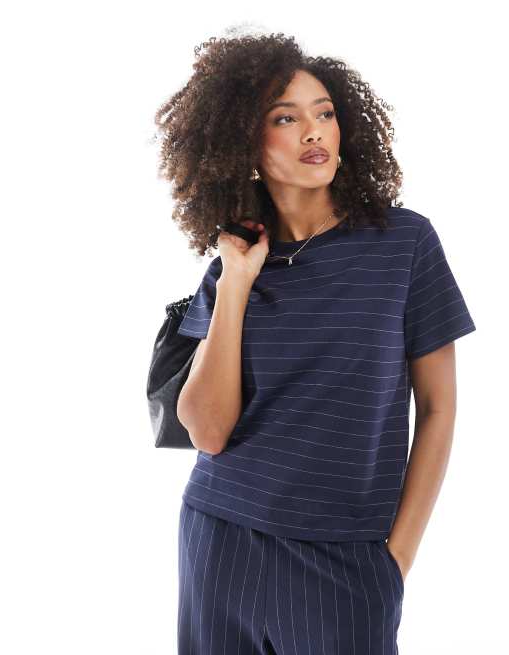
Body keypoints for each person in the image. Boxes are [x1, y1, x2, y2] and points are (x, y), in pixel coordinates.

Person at [154, 31, 476, 655]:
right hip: (220, 540)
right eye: (286, 118)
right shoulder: (232, 264)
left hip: (346, 559)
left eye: (324, 114)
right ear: (244, 144)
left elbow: (439, 408)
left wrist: (396, 560)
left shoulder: (404, 243)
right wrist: (238, 281)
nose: (313, 132)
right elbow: (207, 431)